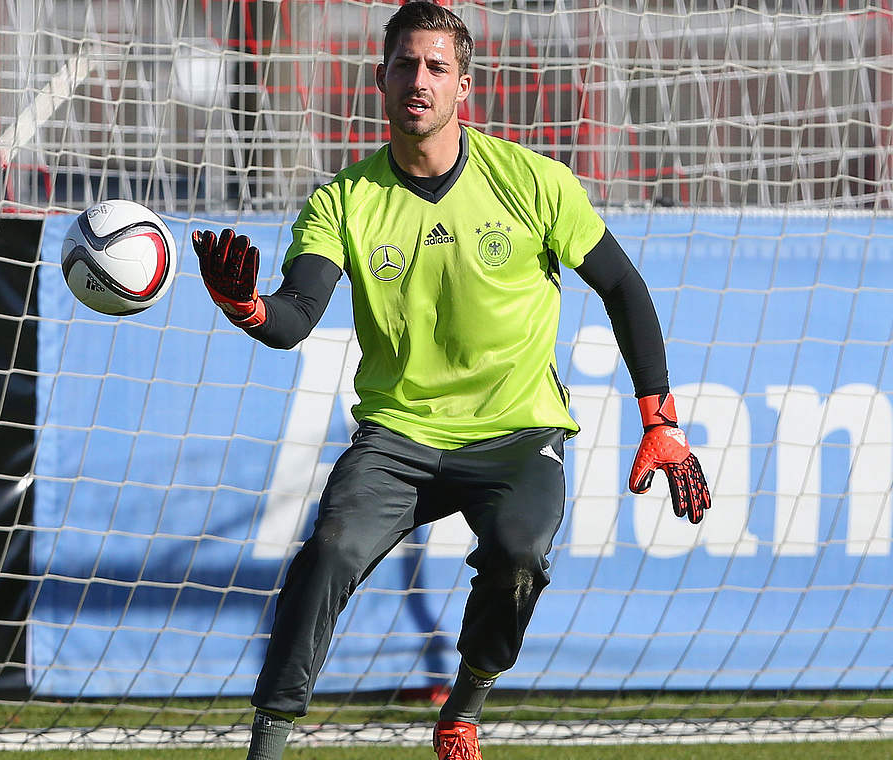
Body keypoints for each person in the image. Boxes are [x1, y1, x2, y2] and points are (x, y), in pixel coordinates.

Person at [192, 3, 710, 758]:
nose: (419, 79)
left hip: (516, 433)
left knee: (520, 554)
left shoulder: (533, 183)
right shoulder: (343, 201)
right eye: (405, 63)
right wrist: (245, 306)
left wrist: (660, 422)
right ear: (379, 79)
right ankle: (267, 745)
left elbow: (625, 290)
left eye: (437, 66)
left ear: (464, 84)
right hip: (399, 437)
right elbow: (295, 316)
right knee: (330, 549)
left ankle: (463, 708)